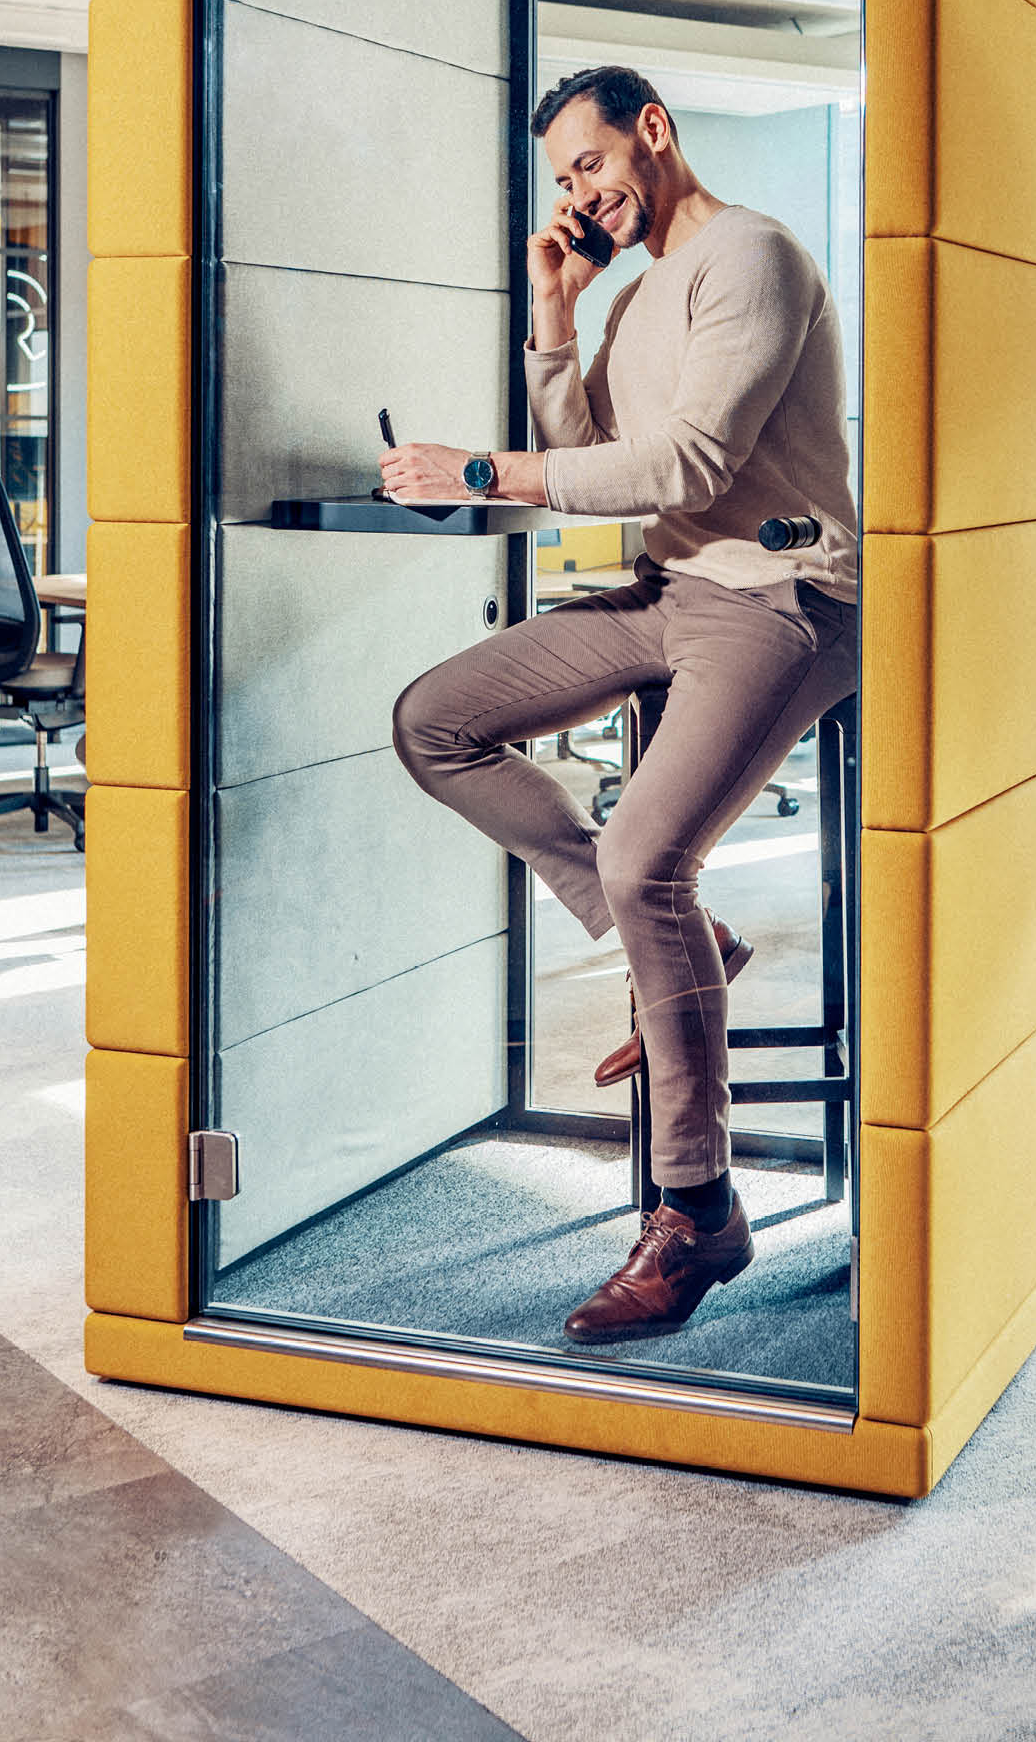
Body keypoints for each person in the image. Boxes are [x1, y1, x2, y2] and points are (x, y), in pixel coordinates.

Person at [383, 65, 857, 1346]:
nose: (579, 193)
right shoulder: (640, 290)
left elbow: (690, 460)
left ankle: (696, 1210)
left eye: (588, 164)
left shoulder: (751, 255)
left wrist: (478, 468)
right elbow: (586, 451)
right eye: (562, 180)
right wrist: (555, 314)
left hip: (781, 595)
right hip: (669, 586)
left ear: (654, 131)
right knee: (436, 718)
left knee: (650, 860)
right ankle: (692, 954)